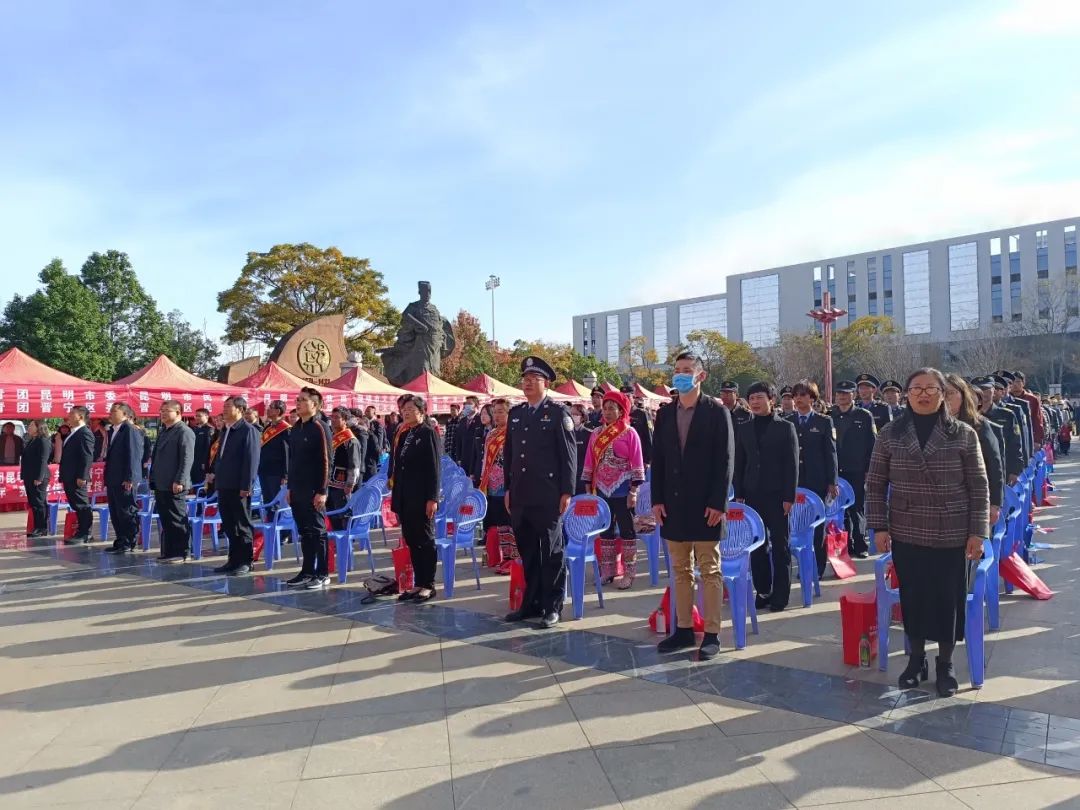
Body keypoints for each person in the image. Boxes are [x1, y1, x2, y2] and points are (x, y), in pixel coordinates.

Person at [867, 368, 989, 698]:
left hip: (952, 530)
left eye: (931, 388)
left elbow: (979, 486)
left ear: (942, 393)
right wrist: (879, 526)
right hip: (907, 529)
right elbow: (875, 483)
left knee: (948, 601)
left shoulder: (963, 433)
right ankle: (916, 659)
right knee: (914, 598)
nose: (923, 394)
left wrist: (978, 532)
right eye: (916, 388)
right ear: (906, 394)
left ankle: (945, 663)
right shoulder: (890, 433)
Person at [652, 352, 734, 659]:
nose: (680, 375)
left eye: (687, 371)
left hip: (705, 506)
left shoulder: (716, 411)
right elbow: (657, 460)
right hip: (673, 505)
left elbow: (726, 460)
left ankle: (711, 633)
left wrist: (718, 503)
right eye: (677, 371)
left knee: (709, 570)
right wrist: (657, 498)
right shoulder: (665, 413)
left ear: (700, 376)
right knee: (680, 569)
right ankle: (684, 629)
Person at [503, 356, 576, 629]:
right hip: (521, 495)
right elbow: (510, 454)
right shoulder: (517, 413)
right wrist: (509, 489)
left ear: (546, 384)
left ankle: (552, 606)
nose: (528, 383)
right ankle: (531, 603)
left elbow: (569, 456)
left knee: (552, 552)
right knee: (529, 552)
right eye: (525, 379)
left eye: (534, 380)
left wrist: (567, 491)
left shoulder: (558, 414)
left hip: (548, 495)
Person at [732, 381, 799, 611]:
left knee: (780, 546)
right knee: (757, 546)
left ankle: (781, 594)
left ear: (772, 400)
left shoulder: (785, 427)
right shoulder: (744, 428)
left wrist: (789, 496)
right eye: (751, 398)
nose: (755, 402)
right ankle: (764, 590)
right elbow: (739, 464)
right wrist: (738, 494)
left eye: (760, 397)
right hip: (752, 494)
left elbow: (791, 465)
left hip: (778, 495)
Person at [583, 390, 646, 590]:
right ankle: (608, 571)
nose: (608, 412)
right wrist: (588, 490)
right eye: (605, 408)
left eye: (612, 408)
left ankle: (629, 573)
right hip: (601, 490)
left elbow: (637, 463)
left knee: (627, 532)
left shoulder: (630, 433)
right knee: (605, 532)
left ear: (621, 411)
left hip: (623, 489)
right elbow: (589, 463)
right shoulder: (596, 434)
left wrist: (634, 491)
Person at [390, 394, 441, 602]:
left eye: (411, 408)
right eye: (404, 409)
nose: (406, 412)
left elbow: (435, 468)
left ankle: (428, 584)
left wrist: (432, 498)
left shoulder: (429, 433)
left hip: (422, 496)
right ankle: (418, 583)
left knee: (425, 540)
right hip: (405, 496)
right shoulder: (404, 434)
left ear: (422, 411)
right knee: (411, 539)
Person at [787, 380, 838, 579]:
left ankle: (817, 567)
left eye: (803, 395)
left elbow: (831, 453)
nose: (798, 399)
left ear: (812, 398)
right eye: (796, 395)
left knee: (817, 526)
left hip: (817, 480)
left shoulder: (824, 421)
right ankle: (801, 565)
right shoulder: (787, 421)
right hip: (795, 481)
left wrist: (832, 481)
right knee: (797, 524)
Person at [285, 388, 333, 588]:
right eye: (298, 399)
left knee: (317, 531)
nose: (298, 403)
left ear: (315, 405)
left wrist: (322, 490)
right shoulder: (296, 428)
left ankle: (322, 572)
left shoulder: (320, 427)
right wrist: (290, 488)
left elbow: (325, 460)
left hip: (314, 490)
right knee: (304, 532)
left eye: (303, 400)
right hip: (297, 489)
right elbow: (293, 461)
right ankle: (307, 571)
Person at [208, 396, 260, 576]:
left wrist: (247, 485)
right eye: (224, 405)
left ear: (240, 409)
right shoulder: (226, 429)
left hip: (239, 486)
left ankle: (246, 561)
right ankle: (233, 560)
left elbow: (251, 460)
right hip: (224, 484)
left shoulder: (248, 430)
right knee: (229, 524)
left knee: (242, 524)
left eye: (228, 406)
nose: (224, 409)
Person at [944, 375, 1003, 529]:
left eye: (950, 393)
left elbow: (994, 464)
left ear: (962, 395)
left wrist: (995, 504)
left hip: (973, 502)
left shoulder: (977, 424)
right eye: (941, 393)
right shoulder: (932, 425)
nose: (945, 398)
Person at [830, 380, 876, 558]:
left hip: (856, 469)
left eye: (846, 393)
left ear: (853, 395)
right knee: (838, 511)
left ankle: (860, 544)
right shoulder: (829, 416)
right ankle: (843, 547)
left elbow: (872, 444)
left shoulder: (864, 415)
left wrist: (868, 470)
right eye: (839, 393)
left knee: (856, 509)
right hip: (836, 471)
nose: (842, 396)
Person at [150, 400, 195, 561]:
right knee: (166, 519)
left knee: (177, 518)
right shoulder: (164, 431)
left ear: (178, 413)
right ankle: (169, 551)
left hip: (175, 483)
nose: (162, 413)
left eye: (167, 411)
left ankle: (183, 552)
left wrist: (180, 480)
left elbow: (187, 458)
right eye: (161, 410)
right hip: (161, 483)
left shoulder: (184, 431)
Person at [103, 402, 144, 554]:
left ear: (125, 415)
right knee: (115, 511)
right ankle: (120, 540)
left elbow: (134, 455)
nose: (110, 414)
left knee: (126, 510)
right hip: (114, 478)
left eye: (114, 411)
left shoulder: (130, 430)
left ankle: (129, 541)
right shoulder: (113, 430)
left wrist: (130, 478)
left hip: (125, 478)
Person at [479, 399, 513, 569]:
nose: (497, 415)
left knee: (509, 522)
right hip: (491, 484)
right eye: (495, 411)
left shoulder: (513, 433)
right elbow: (486, 459)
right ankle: (499, 556)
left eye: (501, 411)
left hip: (508, 484)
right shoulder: (491, 434)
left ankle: (511, 558)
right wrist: (482, 478)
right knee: (497, 522)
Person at [973, 376, 1023, 486]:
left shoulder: (1007, 415)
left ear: (994, 390)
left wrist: (1015, 470)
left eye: (987, 389)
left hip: (1001, 470)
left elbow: (1015, 444)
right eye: (979, 389)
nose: (983, 393)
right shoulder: (968, 417)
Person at [59, 407, 96, 544]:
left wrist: (83, 476)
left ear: (80, 416)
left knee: (82, 505)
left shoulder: (85, 433)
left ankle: (85, 533)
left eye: (71, 414)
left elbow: (87, 456)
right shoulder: (73, 433)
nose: (68, 416)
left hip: (77, 477)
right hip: (69, 475)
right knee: (76, 504)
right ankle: (81, 530)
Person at [327, 407, 361, 530]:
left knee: (344, 515)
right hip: (329, 484)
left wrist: (350, 484)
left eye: (337, 417)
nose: (333, 420)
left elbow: (354, 465)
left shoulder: (350, 440)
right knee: (332, 514)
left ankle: (347, 542)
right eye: (332, 417)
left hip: (342, 485)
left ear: (345, 420)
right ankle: (338, 541)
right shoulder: (331, 436)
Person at [257, 400, 290, 516]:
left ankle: (280, 532)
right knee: (267, 501)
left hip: (276, 472)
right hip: (264, 470)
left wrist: (285, 475)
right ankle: (270, 529)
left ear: (277, 411)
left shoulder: (285, 429)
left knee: (276, 502)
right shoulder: (268, 427)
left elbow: (287, 453)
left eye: (270, 407)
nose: (268, 409)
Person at [20, 420, 51, 537]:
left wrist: (39, 477)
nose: (29, 427)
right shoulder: (32, 440)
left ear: (39, 428)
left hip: (38, 477)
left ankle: (42, 528)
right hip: (29, 476)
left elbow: (43, 460)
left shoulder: (43, 441)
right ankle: (37, 526)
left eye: (32, 425)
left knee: (39, 503)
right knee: (34, 502)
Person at [620, 385, 654, 467]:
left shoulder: (642, 414)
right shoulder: (619, 415)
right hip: (622, 460)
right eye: (622, 397)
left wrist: (647, 460)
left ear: (633, 397)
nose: (625, 399)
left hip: (639, 458)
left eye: (628, 396)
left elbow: (650, 437)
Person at [569, 402, 593, 495]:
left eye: (576, 414)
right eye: (571, 414)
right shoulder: (565, 433)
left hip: (583, 477)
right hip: (568, 476)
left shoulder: (589, 434)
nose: (572, 416)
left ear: (583, 417)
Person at [191, 408, 214, 488]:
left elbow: (208, 448)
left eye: (199, 416)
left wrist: (205, 463)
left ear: (206, 416)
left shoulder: (209, 430)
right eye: (196, 416)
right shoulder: (195, 429)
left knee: (202, 485)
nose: (197, 418)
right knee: (194, 483)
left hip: (202, 463)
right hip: (194, 462)